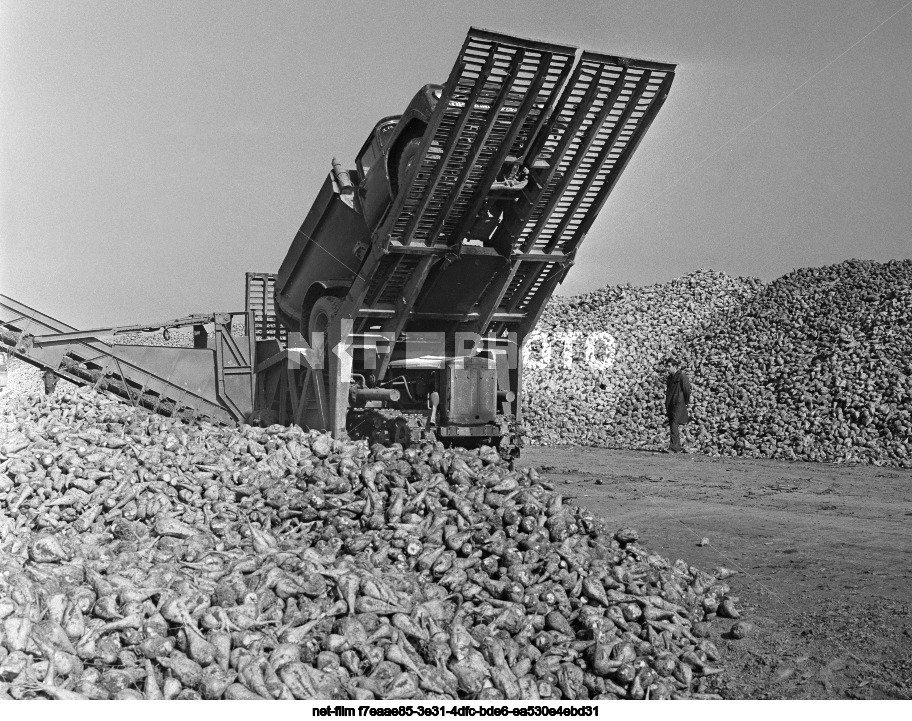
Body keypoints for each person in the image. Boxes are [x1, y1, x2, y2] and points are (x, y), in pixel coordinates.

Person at [662, 357, 691, 453]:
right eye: (666, 366)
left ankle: (674, 447)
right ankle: (676, 447)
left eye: (669, 366)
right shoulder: (670, 378)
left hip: (678, 403)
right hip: (670, 404)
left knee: (674, 424)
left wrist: (684, 402)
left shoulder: (682, 377)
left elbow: (687, 391)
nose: (667, 368)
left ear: (675, 366)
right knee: (672, 425)